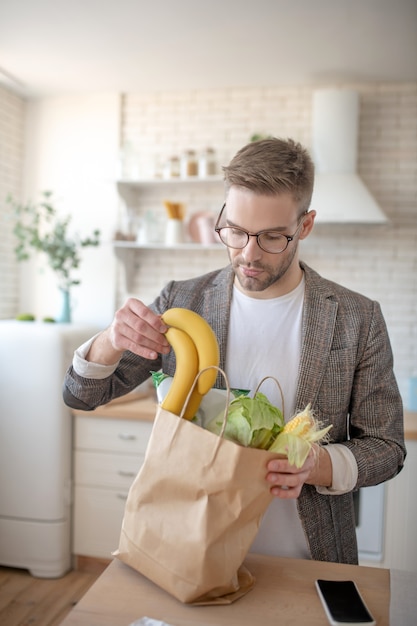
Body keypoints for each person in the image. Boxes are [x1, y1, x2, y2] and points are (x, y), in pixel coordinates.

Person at [63, 137, 406, 564]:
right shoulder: (181, 301)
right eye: (236, 231)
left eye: (272, 237)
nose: (248, 253)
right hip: (190, 554)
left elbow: (388, 448)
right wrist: (110, 339)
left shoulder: (358, 318)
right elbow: (81, 395)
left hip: (308, 558)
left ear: (305, 225)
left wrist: (318, 465)